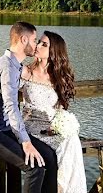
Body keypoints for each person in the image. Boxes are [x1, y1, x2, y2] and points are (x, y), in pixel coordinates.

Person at [0, 21, 58, 193]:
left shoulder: (16, 65)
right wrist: (26, 142)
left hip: (7, 130)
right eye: (34, 39)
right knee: (35, 168)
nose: (36, 44)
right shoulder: (7, 66)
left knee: (50, 157)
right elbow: (11, 107)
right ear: (24, 40)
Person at [20, 31, 86, 193]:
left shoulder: (58, 77)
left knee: (71, 141)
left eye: (44, 44)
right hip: (32, 128)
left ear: (54, 52)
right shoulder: (26, 72)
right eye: (39, 42)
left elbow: (61, 109)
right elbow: (5, 90)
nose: (38, 46)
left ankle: (62, 188)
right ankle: (59, 189)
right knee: (68, 144)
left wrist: (60, 126)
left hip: (52, 129)